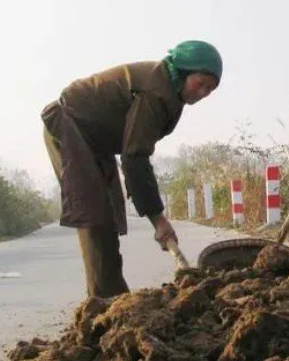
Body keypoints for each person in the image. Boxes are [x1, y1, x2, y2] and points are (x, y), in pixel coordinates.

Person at [41, 40, 222, 298]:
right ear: (182, 72)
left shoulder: (172, 93)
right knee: (95, 215)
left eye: (211, 88)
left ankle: (111, 296)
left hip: (95, 140)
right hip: (69, 127)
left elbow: (135, 150)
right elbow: (135, 157)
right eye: (200, 82)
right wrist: (158, 219)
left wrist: (156, 216)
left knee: (110, 213)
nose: (203, 92)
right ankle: (105, 303)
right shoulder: (156, 91)